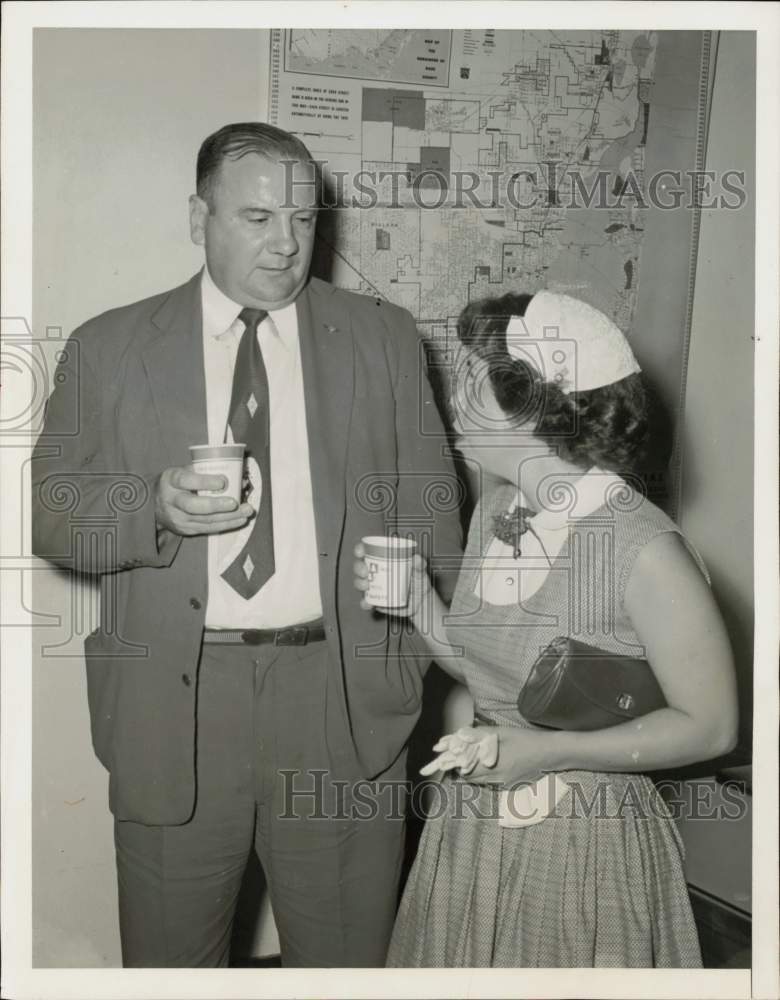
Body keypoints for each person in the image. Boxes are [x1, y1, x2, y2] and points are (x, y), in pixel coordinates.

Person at [31, 122, 462, 968]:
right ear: (199, 218)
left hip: (339, 702)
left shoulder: (383, 337)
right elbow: (49, 512)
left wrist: (401, 666)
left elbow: (435, 512)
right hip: (173, 710)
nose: (288, 243)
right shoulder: (109, 345)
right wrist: (149, 505)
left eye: (303, 219)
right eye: (258, 218)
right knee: (168, 966)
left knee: (347, 965)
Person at [354, 289, 738, 967]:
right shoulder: (497, 512)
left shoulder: (642, 548)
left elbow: (711, 726)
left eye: (475, 383)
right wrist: (420, 604)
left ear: (534, 406)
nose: (455, 399)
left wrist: (547, 753)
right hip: (474, 825)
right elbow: (496, 677)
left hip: (584, 840)